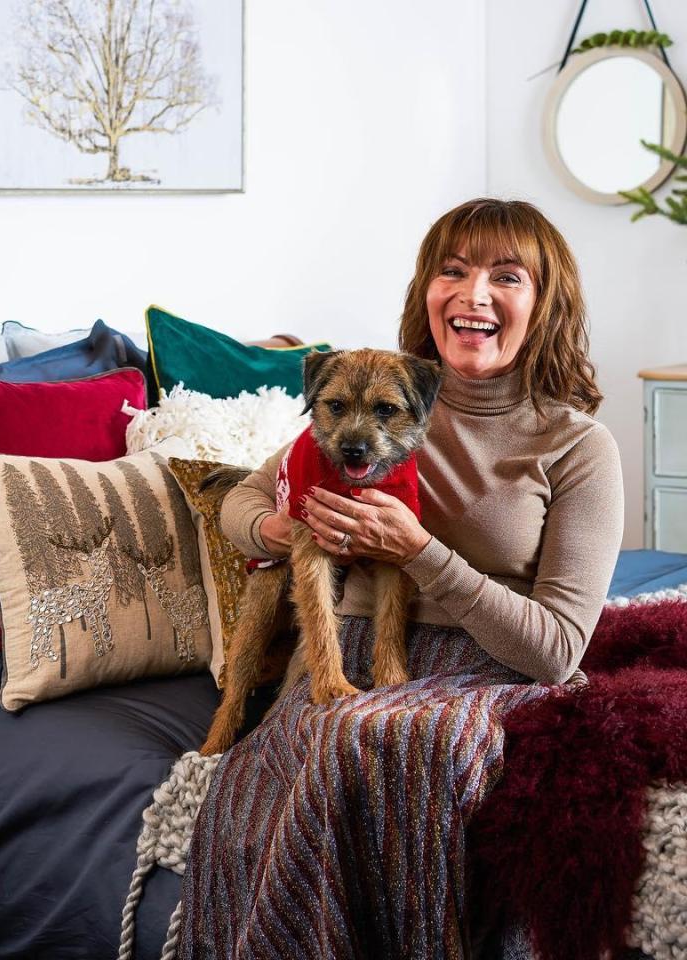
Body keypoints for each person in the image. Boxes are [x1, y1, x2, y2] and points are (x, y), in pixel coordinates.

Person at [178, 198, 624, 959]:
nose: (473, 294)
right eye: (452, 271)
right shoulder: (366, 395)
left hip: (493, 671)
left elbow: (556, 652)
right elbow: (247, 500)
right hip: (342, 661)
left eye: (506, 277)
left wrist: (421, 552)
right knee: (347, 734)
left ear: (544, 304)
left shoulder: (576, 445)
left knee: (400, 739)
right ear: (428, 291)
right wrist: (281, 530)